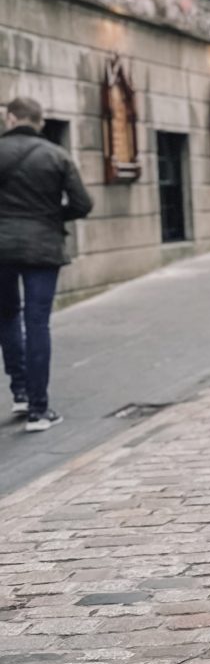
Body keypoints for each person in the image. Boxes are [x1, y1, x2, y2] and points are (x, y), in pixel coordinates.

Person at [0, 96, 93, 431]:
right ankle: (39, 411)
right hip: (43, 246)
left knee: (7, 315)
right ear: (39, 121)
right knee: (37, 322)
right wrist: (53, 217)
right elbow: (83, 204)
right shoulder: (57, 155)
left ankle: (21, 392)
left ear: (11, 118)